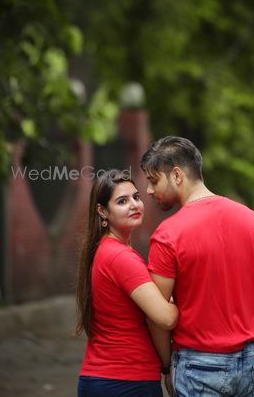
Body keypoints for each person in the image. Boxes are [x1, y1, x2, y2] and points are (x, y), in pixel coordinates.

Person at [140, 137, 254, 397]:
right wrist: (245, 335)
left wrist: (167, 366)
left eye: (153, 180)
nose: (148, 190)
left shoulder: (168, 234)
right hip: (251, 360)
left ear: (177, 175)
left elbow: (156, 315)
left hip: (198, 364)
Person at [76, 169, 178, 397]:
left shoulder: (104, 249)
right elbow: (166, 317)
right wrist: (172, 300)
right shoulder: (120, 257)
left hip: (104, 378)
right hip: (127, 382)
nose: (134, 205)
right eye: (122, 201)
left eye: (136, 197)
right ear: (102, 211)